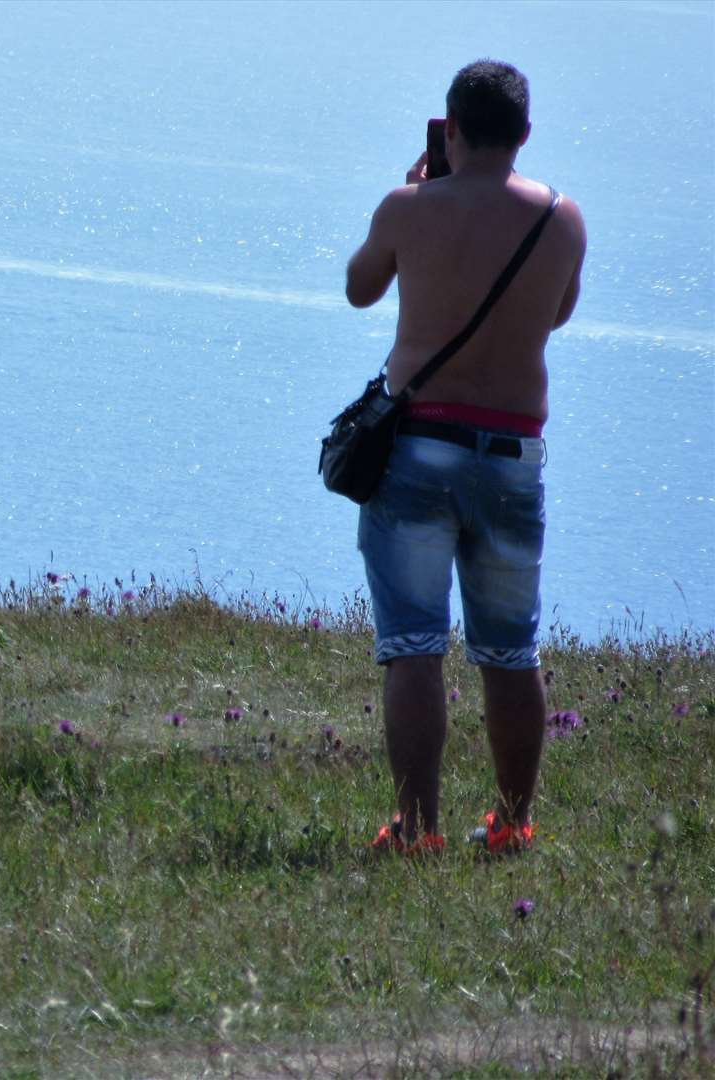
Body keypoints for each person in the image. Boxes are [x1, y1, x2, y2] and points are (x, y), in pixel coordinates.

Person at [343, 60, 586, 854]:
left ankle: (416, 831)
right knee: (511, 652)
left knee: (414, 647)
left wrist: (416, 193)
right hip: (513, 455)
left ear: (451, 129)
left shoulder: (408, 207)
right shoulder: (562, 219)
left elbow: (359, 288)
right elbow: (554, 314)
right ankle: (513, 824)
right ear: (524, 135)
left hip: (417, 449)